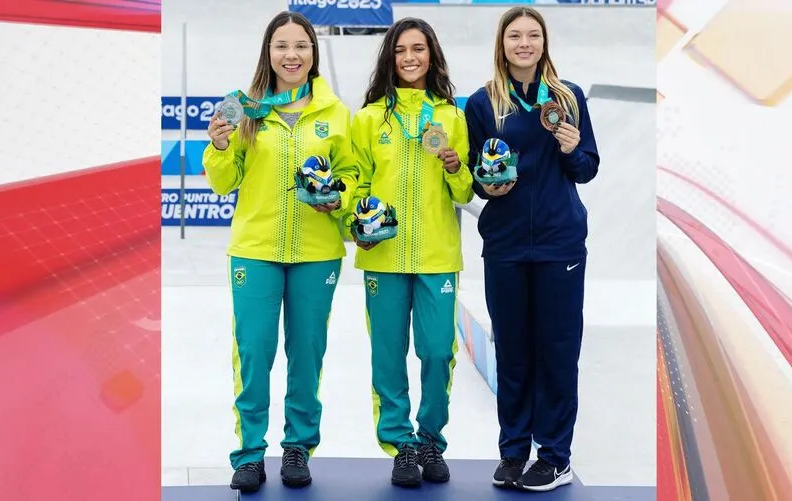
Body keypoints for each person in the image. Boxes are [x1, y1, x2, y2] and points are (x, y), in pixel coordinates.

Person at [202, 11, 358, 494]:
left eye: (301, 47)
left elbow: (351, 174)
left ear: (313, 53)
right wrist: (219, 145)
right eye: (281, 46)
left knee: (307, 354)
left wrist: (341, 197)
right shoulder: (248, 109)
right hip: (255, 250)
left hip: (317, 252)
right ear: (268, 53)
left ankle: (297, 447)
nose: (291, 55)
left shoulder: (336, 113)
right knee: (254, 354)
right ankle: (250, 453)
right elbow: (224, 180)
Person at [463, 6, 600, 493]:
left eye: (533, 35)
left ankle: (555, 456)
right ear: (502, 44)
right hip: (504, 245)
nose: (524, 43)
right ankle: (514, 451)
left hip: (560, 242)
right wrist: (488, 187)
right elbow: (480, 179)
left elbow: (587, 169)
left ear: (544, 43)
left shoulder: (568, 97)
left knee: (558, 351)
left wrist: (570, 147)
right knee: (514, 352)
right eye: (515, 35)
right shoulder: (482, 104)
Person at [347, 17, 474, 488]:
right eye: (401, 50)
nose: (409, 58)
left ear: (431, 55)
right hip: (382, 256)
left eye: (418, 49)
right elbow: (357, 186)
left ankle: (430, 440)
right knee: (388, 354)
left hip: (438, 256)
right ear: (389, 57)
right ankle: (401, 445)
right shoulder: (368, 118)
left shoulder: (450, 116)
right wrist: (355, 226)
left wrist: (456, 165)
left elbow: (462, 192)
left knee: (438, 351)